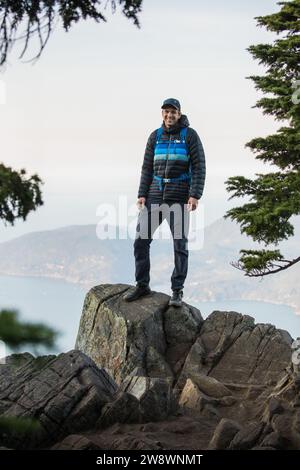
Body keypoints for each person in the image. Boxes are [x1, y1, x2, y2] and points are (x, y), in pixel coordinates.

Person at [124, 98, 206, 307]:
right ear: (162, 113)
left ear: (179, 114)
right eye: (166, 112)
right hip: (154, 195)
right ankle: (142, 285)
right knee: (140, 241)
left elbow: (199, 166)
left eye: (173, 112)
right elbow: (146, 168)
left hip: (179, 197)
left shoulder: (190, 135)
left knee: (180, 245)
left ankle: (177, 291)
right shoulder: (155, 136)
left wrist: (195, 195)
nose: (169, 115)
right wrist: (142, 193)